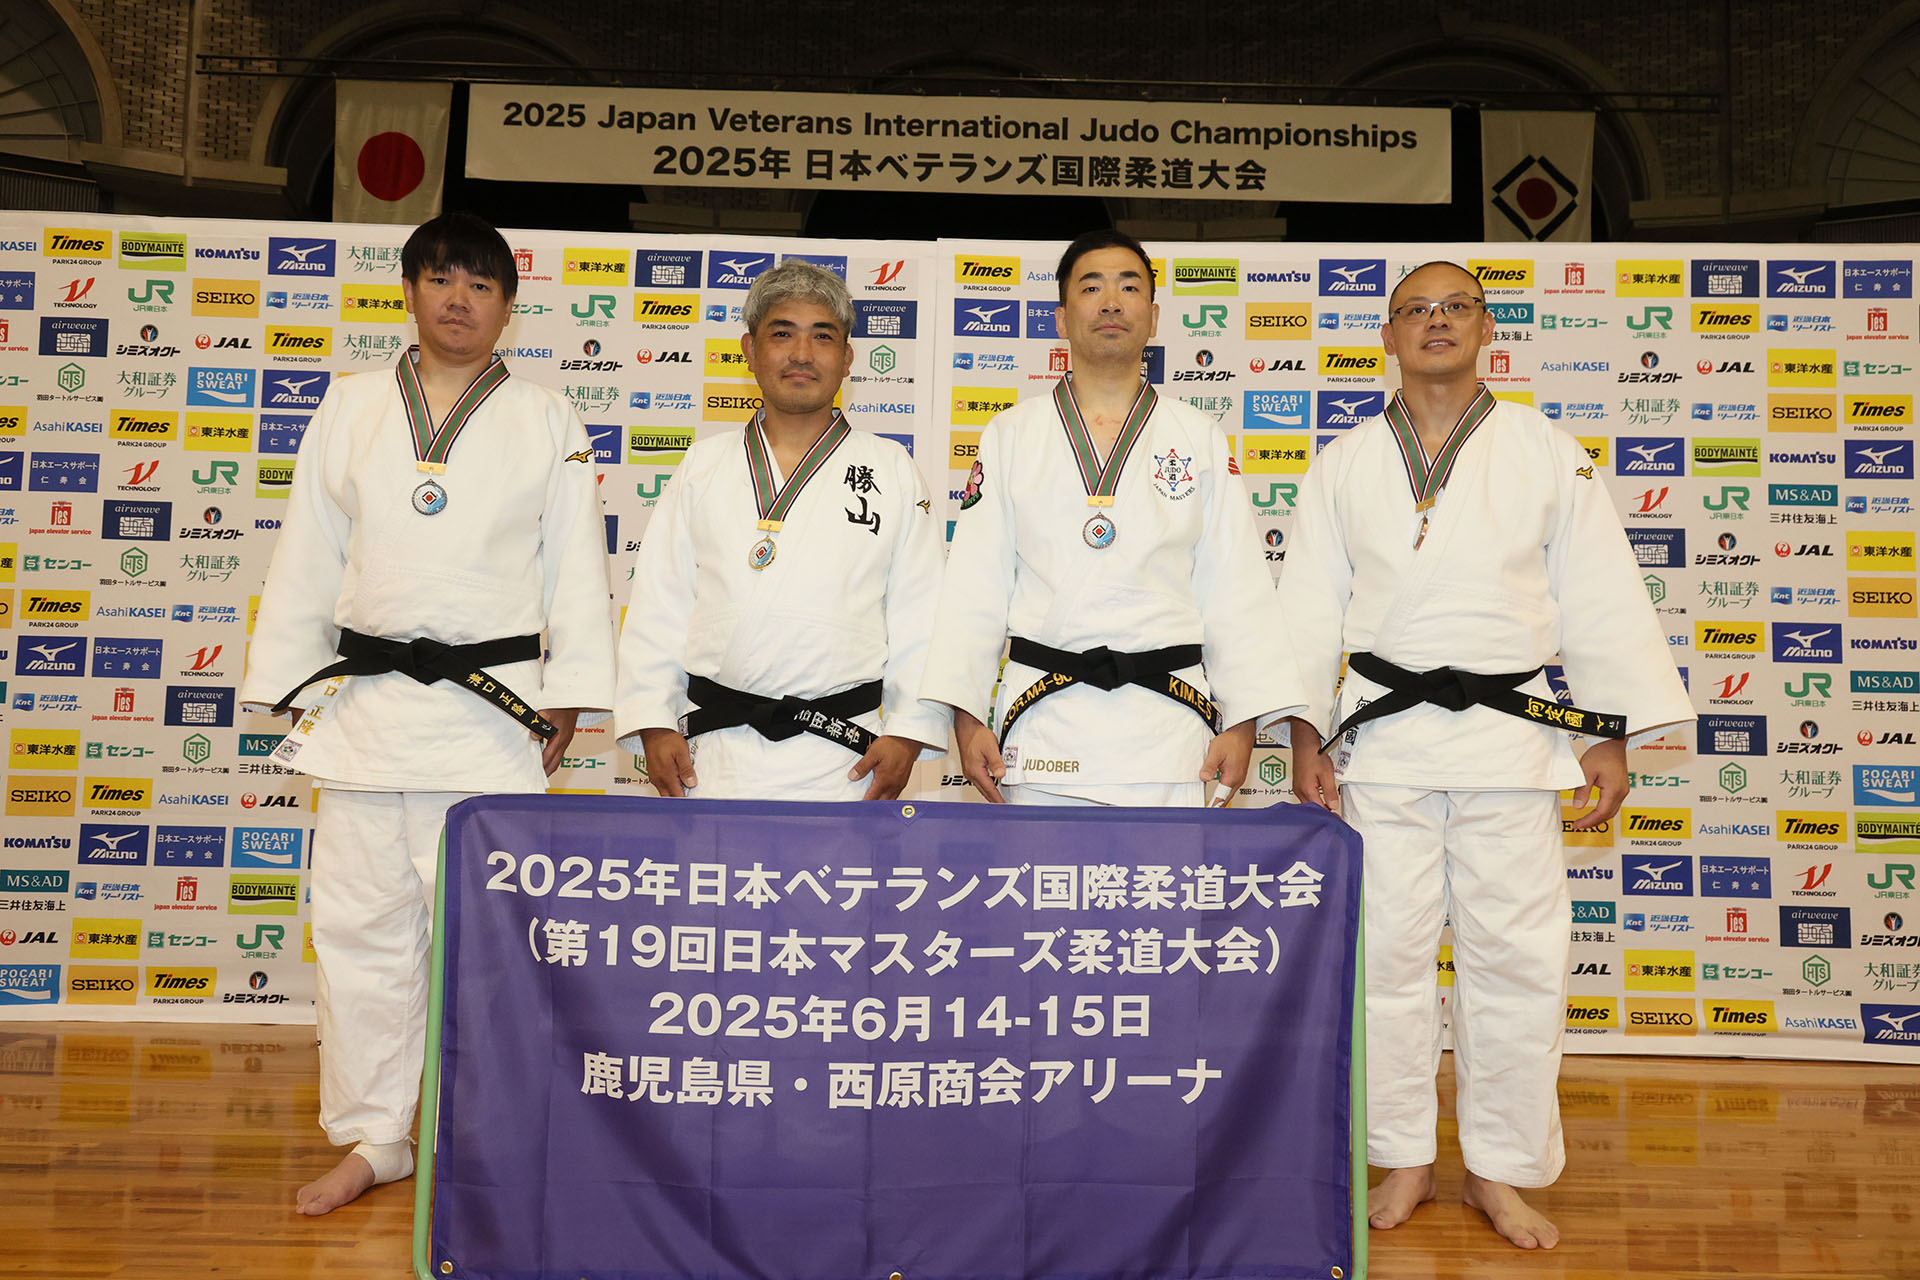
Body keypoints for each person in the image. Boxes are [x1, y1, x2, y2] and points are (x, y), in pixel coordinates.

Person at [1275, 261, 1694, 1249]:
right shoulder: (1344, 462)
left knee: (1517, 960)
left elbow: (1598, 596)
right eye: (1415, 310)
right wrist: (1305, 732)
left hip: (1510, 742)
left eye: (1455, 306)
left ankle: (1498, 1167)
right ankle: (1403, 1154)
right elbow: (1307, 606)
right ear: (1388, 335)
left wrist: (1605, 734)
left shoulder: (1548, 453)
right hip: (1383, 741)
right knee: (1385, 958)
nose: (1436, 322)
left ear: (1486, 326)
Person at [238, 212, 615, 1215]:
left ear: (508, 307)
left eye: (481, 284)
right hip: (366, 712)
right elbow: (309, 547)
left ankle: (484, 1132)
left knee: (490, 942)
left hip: (489, 719)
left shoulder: (546, 417)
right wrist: (290, 678)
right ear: (408, 290)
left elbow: (575, 563)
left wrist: (570, 689)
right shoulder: (352, 403)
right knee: (359, 935)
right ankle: (376, 1137)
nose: (459, 298)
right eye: (442, 278)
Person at [921, 229, 1304, 806]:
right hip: (1044, 725)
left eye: (1129, 287)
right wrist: (968, 714)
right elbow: (975, 585)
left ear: (1153, 317)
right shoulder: (1011, 434)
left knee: (1167, 870)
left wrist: (1243, 717)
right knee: (1043, 870)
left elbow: (1236, 587)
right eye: (1091, 287)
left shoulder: (1197, 434)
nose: (1110, 302)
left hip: (1170, 727)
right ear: (1061, 318)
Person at [615, 259, 947, 799]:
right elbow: (659, 603)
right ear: (750, 351)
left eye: (823, 336)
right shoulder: (703, 466)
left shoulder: (891, 469)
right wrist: (653, 719)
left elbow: (922, 613)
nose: (801, 354)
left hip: (847, 756)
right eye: (782, 334)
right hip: (713, 753)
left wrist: (909, 730)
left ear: (847, 358)